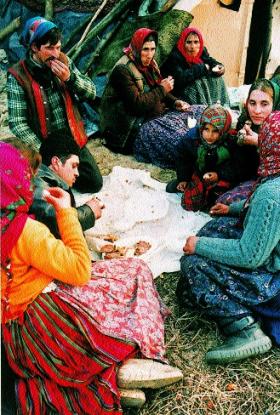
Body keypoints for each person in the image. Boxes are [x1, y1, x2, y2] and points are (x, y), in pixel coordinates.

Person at [1, 139, 183, 413]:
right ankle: (124, 366)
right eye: (28, 177)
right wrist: (67, 214)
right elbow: (79, 271)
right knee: (132, 272)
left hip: (14, 340)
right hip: (43, 322)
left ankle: (117, 380)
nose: (31, 185)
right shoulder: (24, 231)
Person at [177, 111, 280, 364]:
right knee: (218, 227)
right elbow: (262, 213)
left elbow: (250, 255)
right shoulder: (273, 180)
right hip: (272, 256)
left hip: (273, 281)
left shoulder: (272, 193)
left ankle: (244, 328)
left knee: (194, 264)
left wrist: (199, 245)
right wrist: (233, 209)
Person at [7, 16, 102, 194]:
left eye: (58, 47)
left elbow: (92, 92)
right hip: (42, 143)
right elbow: (17, 122)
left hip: (70, 139)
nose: (55, 54)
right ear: (34, 48)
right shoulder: (18, 76)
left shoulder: (64, 62)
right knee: (46, 192)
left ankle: (63, 175)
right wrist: (42, 150)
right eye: (49, 48)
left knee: (94, 183)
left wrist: (70, 78)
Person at [99, 27, 206, 169]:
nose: (149, 55)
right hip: (135, 127)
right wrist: (163, 89)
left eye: (152, 49)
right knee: (180, 141)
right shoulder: (122, 70)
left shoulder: (150, 64)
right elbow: (136, 105)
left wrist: (175, 101)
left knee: (200, 111)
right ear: (136, 48)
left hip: (157, 114)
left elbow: (156, 88)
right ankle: (201, 161)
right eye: (145, 50)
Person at [165, 105, 241, 211]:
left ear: (223, 130)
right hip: (199, 173)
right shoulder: (192, 138)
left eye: (215, 131)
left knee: (219, 197)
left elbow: (237, 166)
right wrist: (183, 179)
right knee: (187, 196)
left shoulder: (231, 142)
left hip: (222, 175)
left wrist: (218, 174)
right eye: (206, 129)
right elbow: (183, 158)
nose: (209, 135)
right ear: (201, 127)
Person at [217, 78, 280, 204]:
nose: (257, 111)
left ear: (275, 104)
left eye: (264, 104)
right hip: (251, 176)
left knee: (228, 202)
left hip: (273, 184)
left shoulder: (277, 126)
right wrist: (238, 142)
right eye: (252, 103)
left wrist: (260, 143)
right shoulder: (246, 121)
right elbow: (241, 164)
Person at [30, 133, 102, 238]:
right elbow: (55, 224)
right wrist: (89, 212)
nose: (77, 173)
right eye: (73, 166)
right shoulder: (40, 184)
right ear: (56, 162)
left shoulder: (49, 179)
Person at [161, 26, 230, 106]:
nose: (193, 46)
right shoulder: (175, 56)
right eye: (189, 42)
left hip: (193, 88)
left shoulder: (201, 51)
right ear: (183, 43)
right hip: (180, 94)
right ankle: (203, 109)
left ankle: (221, 106)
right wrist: (202, 68)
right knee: (197, 83)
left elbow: (210, 61)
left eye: (196, 42)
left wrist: (219, 67)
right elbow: (180, 79)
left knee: (219, 78)